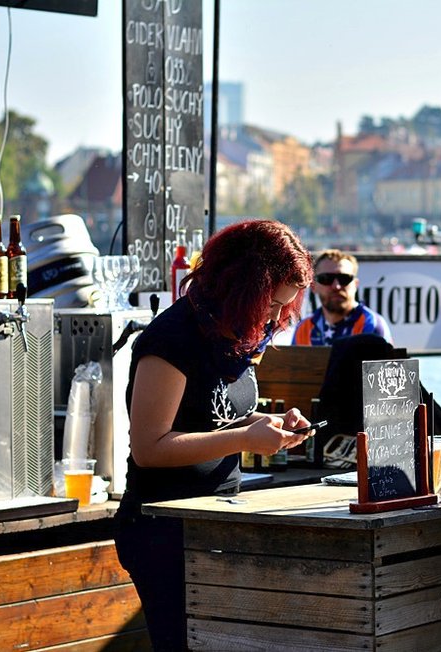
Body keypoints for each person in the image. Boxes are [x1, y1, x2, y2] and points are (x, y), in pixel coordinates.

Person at [114, 219, 316, 651]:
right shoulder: (171, 339)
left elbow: (212, 419)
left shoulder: (235, 335)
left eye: (287, 306)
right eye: (272, 304)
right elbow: (149, 448)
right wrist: (245, 439)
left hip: (218, 522)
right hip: (163, 531)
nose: (278, 317)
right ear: (242, 288)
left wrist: (266, 425)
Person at [291, 248, 393, 345]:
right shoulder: (303, 329)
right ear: (313, 286)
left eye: (344, 278)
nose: (336, 286)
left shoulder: (372, 326)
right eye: (326, 278)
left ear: (355, 285)